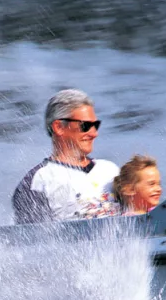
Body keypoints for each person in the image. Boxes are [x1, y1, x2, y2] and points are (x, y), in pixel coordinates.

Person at [12, 89, 119, 224]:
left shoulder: (111, 170)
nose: (94, 134)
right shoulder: (38, 181)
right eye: (85, 126)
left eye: (96, 125)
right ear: (59, 127)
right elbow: (31, 241)